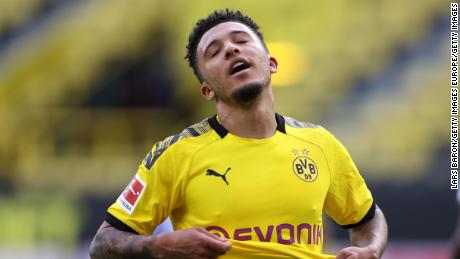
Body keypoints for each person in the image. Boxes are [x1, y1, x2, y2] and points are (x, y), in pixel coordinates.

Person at [90, 9, 388, 259]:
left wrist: (370, 249)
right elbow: (102, 244)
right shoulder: (175, 154)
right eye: (214, 52)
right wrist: (160, 246)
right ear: (207, 89)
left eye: (241, 41)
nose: (231, 49)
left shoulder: (320, 144)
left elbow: (367, 217)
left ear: (271, 63)